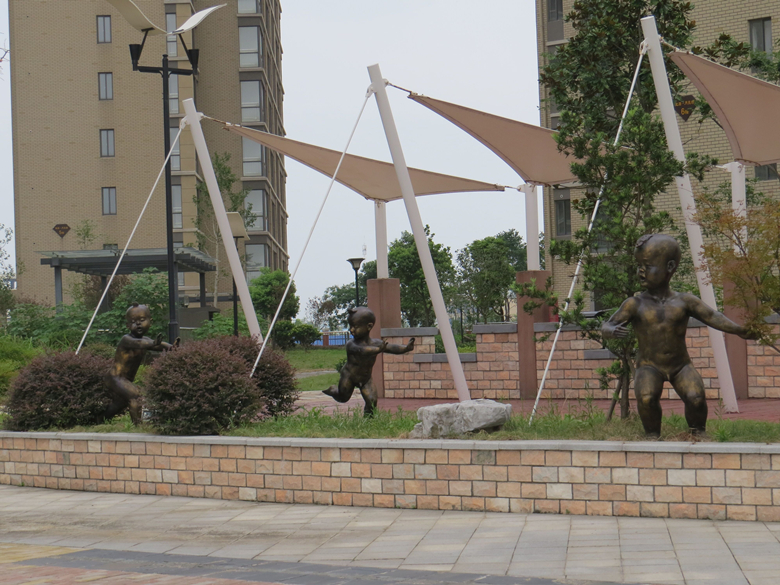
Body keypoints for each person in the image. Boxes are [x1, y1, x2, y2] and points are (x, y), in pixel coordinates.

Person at [601, 234, 756, 436]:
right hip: (649, 366)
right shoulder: (635, 304)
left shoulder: (684, 301)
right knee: (647, 398)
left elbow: (713, 316)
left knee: (696, 397)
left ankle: (697, 434)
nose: (641, 271)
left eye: (647, 266)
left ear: (670, 267)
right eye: (639, 265)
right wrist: (611, 330)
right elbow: (608, 325)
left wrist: (739, 330)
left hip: (680, 365)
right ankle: (652, 437)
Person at [323, 306, 414, 416]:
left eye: (355, 327)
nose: (351, 330)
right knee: (343, 398)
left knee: (372, 401)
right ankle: (333, 390)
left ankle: (368, 420)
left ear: (369, 326)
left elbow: (391, 348)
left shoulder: (376, 343)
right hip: (349, 377)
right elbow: (362, 350)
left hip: (365, 378)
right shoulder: (351, 344)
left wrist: (406, 348)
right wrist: (378, 350)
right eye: (350, 326)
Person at [103, 303, 179, 425]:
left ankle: (100, 419)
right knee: (135, 395)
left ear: (150, 322)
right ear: (128, 325)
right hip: (115, 377)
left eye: (142, 320)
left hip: (125, 379)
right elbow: (140, 344)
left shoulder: (146, 340)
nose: (138, 324)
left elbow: (158, 346)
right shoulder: (126, 339)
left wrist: (173, 348)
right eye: (133, 321)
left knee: (120, 403)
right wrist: (154, 343)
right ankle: (138, 426)